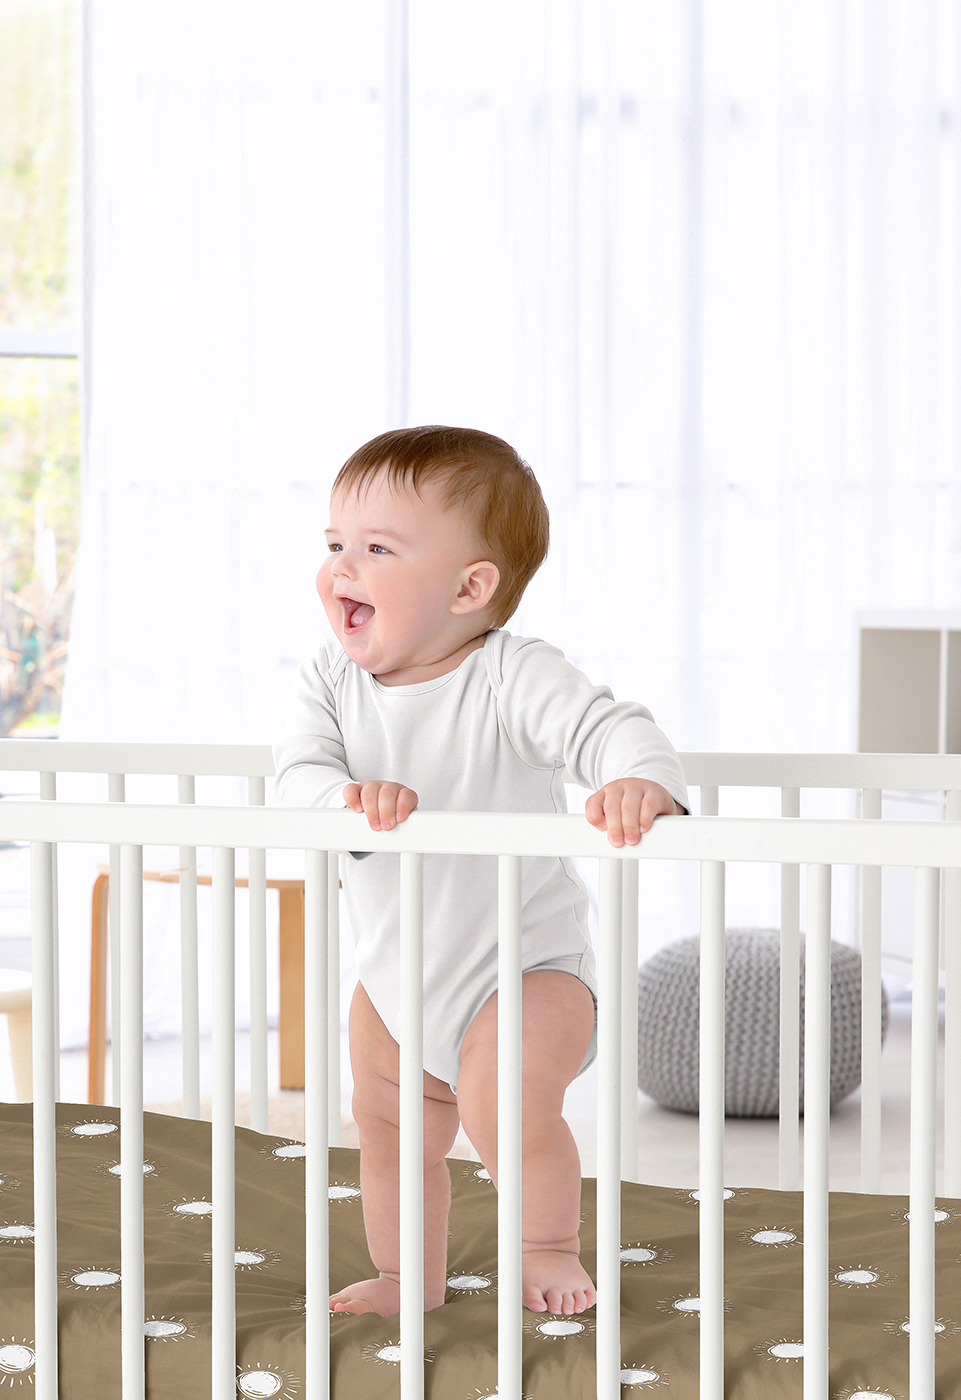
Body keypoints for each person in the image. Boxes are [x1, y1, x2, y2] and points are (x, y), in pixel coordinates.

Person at [273, 425, 688, 1319]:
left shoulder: (510, 676)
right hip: (394, 978)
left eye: (377, 549)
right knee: (386, 1131)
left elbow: (609, 727)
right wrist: (342, 799)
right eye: (336, 543)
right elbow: (295, 776)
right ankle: (405, 1276)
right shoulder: (329, 683)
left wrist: (637, 780)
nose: (343, 568)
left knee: (503, 1104)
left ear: (470, 588)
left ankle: (544, 1245)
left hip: (526, 974)